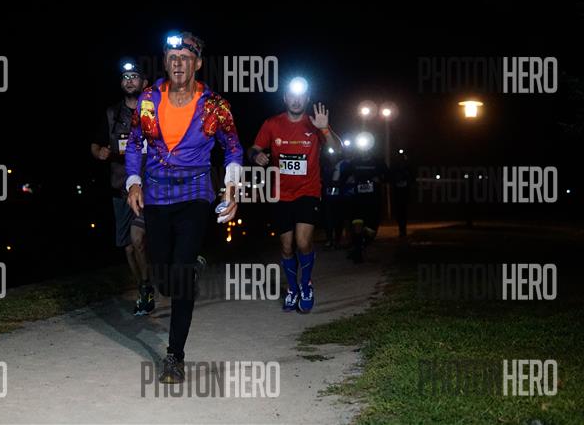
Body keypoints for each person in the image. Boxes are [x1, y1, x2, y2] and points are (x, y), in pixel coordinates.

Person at [125, 31, 243, 383]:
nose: (178, 63)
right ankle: (186, 272)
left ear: (198, 63)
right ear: (165, 62)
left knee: (179, 275)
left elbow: (233, 148)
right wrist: (134, 181)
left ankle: (174, 355)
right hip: (156, 195)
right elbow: (134, 143)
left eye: (185, 58)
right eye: (172, 57)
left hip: (194, 194)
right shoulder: (148, 99)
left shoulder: (214, 105)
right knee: (164, 280)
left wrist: (231, 187)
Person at [248, 77, 341, 313]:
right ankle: (292, 288)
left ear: (307, 99)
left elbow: (338, 150)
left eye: (301, 96)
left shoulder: (315, 123)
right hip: (280, 194)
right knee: (287, 246)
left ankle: (306, 284)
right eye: (292, 95)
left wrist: (324, 128)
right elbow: (254, 148)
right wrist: (256, 156)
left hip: (308, 191)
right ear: (285, 98)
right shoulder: (272, 124)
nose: (296, 100)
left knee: (303, 242)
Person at [91, 61, 153, 315]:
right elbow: (95, 144)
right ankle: (143, 288)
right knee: (128, 247)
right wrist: (99, 152)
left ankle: (151, 285)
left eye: (134, 76)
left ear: (144, 83)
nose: (129, 80)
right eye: (125, 77)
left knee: (138, 239)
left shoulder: (154, 112)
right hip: (120, 189)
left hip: (149, 188)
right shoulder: (111, 114)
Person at [339, 135, 388, 262]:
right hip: (358, 200)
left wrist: (380, 179)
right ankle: (357, 251)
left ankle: (361, 245)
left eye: (367, 149)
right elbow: (343, 177)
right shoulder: (354, 162)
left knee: (371, 231)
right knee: (357, 224)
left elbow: (388, 176)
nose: (365, 152)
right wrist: (348, 179)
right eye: (362, 150)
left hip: (373, 201)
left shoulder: (378, 162)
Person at [390, 151, 410, 237]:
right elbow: (391, 177)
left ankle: (402, 229)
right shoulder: (395, 167)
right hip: (398, 192)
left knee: (402, 211)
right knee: (400, 211)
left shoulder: (407, 167)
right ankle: (402, 229)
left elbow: (411, 177)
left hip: (403, 192)